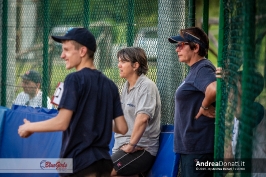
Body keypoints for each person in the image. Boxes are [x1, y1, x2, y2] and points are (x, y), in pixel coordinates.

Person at [18, 27, 128, 177]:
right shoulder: (110, 85)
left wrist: (30, 127)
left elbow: (61, 123)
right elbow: (122, 127)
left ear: (82, 51)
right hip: (103, 164)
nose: (62, 55)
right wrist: (95, 119)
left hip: (79, 164)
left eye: (67, 50)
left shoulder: (74, 79)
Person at [168, 27, 216, 177]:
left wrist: (204, 106)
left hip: (198, 149)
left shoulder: (202, 68)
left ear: (196, 47)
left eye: (181, 45)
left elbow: (214, 89)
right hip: (192, 148)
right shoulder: (195, 69)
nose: (177, 49)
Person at [111, 47, 161, 177]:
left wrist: (131, 145)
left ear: (135, 65)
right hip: (122, 148)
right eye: (118, 61)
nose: (119, 65)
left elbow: (143, 119)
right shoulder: (126, 87)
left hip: (141, 149)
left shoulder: (146, 86)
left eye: (123, 61)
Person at [222, 70, 266, 176]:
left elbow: (241, 113)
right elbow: (229, 158)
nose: (229, 89)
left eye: (234, 85)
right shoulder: (235, 118)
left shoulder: (258, 110)